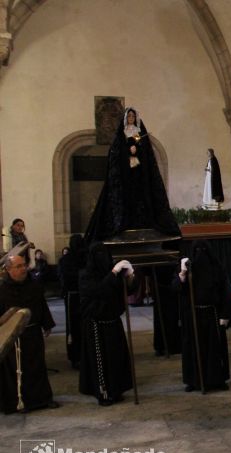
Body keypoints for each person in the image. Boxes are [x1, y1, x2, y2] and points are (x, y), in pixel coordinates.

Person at [85, 107, 180, 241]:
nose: (131, 118)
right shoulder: (122, 133)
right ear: (125, 118)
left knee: (140, 196)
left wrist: (137, 149)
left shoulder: (139, 132)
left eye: (132, 116)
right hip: (125, 174)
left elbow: (147, 153)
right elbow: (115, 153)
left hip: (139, 173)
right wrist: (127, 150)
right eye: (129, 116)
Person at [173, 240, 231, 392]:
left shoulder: (217, 268)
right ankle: (194, 380)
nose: (200, 253)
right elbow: (177, 289)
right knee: (194, 348)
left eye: (203, 250)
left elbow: (225, 292)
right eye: (197, 250)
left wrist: (225, 315)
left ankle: (217, 379)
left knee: (215, 348)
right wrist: (182, 275)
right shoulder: (189, 269)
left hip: (212, 314)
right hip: (193, 315)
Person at [78, 243, 134, 406]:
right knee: (100, 361)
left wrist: (130, 276)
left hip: (113, 321)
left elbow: (127, 291)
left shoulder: (114, 274)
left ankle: (116, 390)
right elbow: (99, 290)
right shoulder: (86, 275)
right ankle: (103, 392)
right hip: (96, 324)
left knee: (115, 358)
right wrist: (113, 273)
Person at [0, 255, 57, 413]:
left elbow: (42, 305)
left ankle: (41, 399)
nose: (23, 269)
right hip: (12, 337)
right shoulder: (2, 289)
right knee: (14, 370)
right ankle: (15, 402)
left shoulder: (34, 285)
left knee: (36, 367)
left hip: (32, 333)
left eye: (24, 265)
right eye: (18, 266)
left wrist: (47, 324)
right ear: (8, 269)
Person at [58, 234, 86, 367]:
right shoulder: (86, 258)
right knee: (78, 325)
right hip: (80, 296)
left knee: (74, 326)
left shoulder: (66, 260)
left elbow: (64, 278)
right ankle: (81, 355)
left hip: (73, 296)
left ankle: (76, 356)